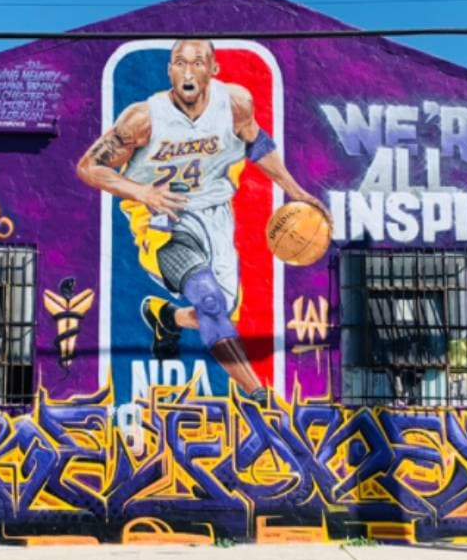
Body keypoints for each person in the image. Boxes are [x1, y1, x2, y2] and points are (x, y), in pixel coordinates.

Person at [76, 39, 325, 403]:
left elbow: (257, 144)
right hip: (161, 218)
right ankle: (257, 393)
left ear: (213, 70)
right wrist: (141, 192)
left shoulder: (235, 104)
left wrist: (296, 191)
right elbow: (89, 167)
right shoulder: (143, 119)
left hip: (216, 216)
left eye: (197, 63)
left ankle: (167, 316)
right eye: (180, 62)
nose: (188, 71)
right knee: (209, 301)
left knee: (218, 311)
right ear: (170, 71)